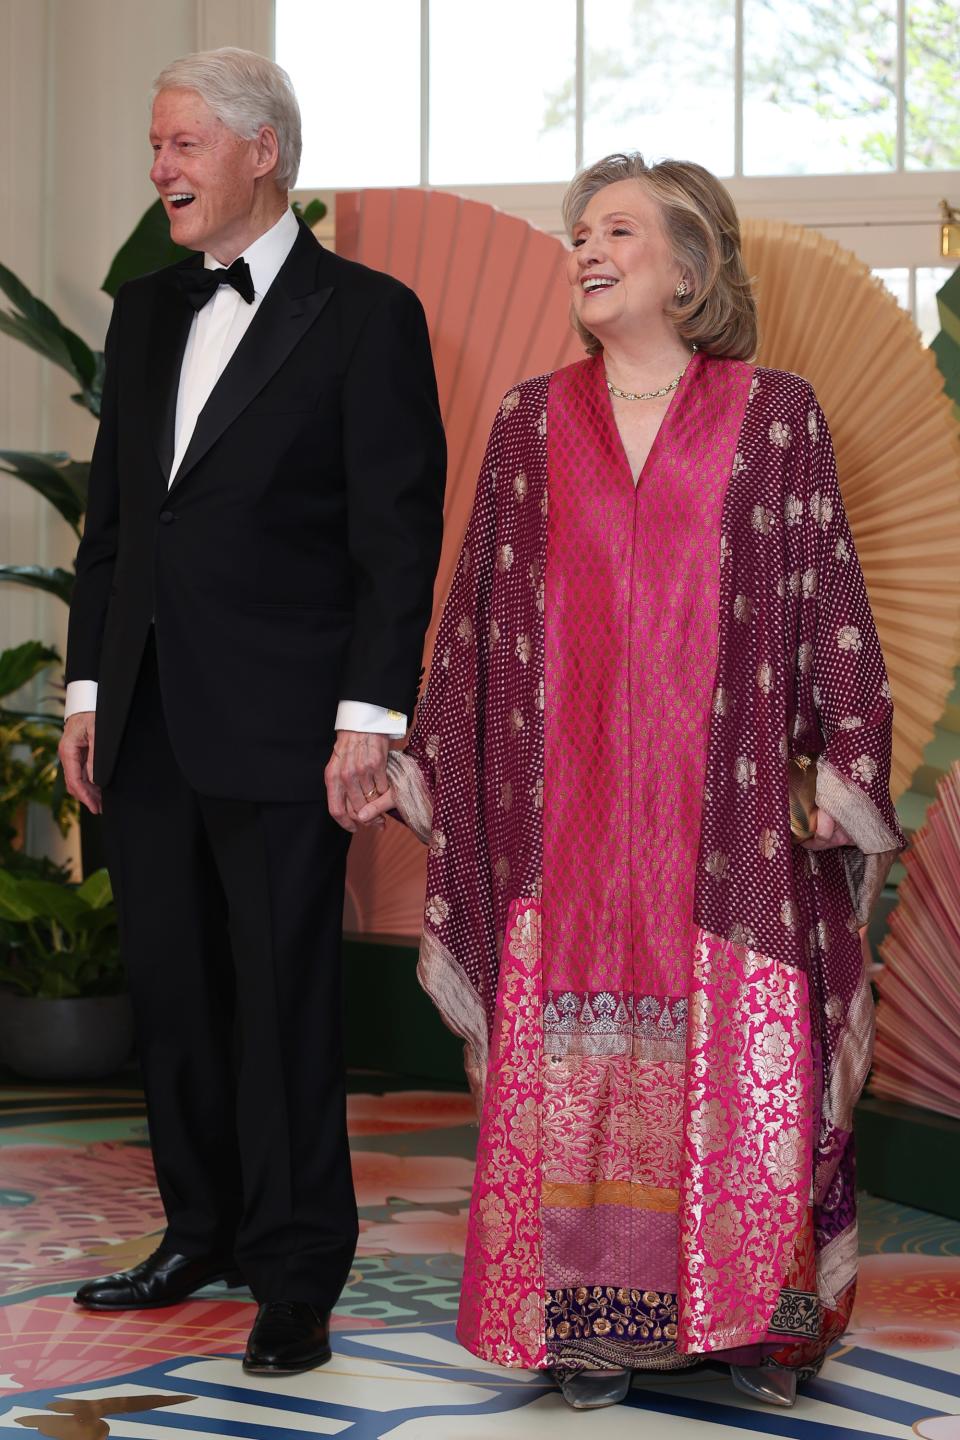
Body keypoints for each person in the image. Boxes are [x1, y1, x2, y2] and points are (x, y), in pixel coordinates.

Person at [361, 152, 902, 1409]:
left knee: (750, 1050)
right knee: (579, 1067)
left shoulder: (778, 416)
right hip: (576, 828)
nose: (586, 251)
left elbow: (830, 603)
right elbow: (480, 620)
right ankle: (588, 1320)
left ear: (692, 266)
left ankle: (760, 1320)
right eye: (577, 234)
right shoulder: (529, 423)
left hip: (729, 826)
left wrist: (847, 767)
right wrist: (421, 758)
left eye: (617, 231)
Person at [59, 48, 445, 1376]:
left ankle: (295, 1274)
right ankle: (199, 1230)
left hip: (293, 729)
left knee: (285, 1007)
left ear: (260, 151)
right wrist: (90, 688)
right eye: (156, 144)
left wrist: (369, 721)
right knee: (172, 993)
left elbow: (397, 544)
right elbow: (117, 520)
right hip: (150, 718)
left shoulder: (367, 317)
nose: (158, 167)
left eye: (180, 145)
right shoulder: (145, 310)